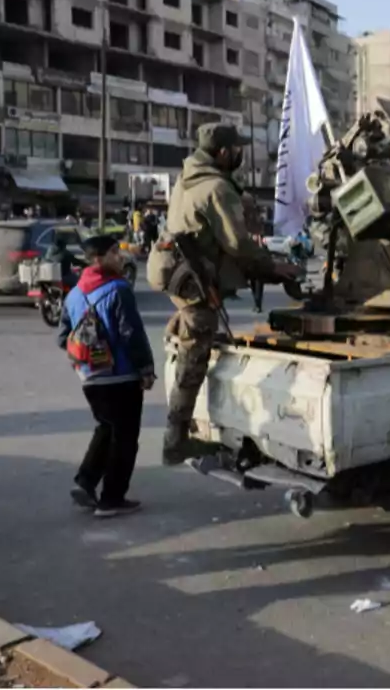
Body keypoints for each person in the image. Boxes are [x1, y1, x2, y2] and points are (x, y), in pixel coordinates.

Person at [147, 123, 301, 466]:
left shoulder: (188, 178)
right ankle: (176, 442)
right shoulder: (216, 188)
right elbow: (239, 245)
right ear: (223, 152)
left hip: (177, 275)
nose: (240, 155)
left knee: (196, 333)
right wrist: (275, 267)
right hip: (195, 283)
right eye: (237, 149)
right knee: (194, 357)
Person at [58, 235, 154, 518]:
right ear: (99, 258)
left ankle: (86, 482)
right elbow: (131, 334)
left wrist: (84, 357)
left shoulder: (75, 294)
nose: (120, 257)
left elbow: (63, 336)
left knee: (106, 427)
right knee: (125, 437)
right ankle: (111, 499)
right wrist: (146, 370)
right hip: (121, 376)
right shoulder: (118, 289)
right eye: (115, 252)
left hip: (89, 377)